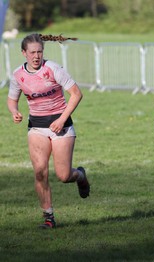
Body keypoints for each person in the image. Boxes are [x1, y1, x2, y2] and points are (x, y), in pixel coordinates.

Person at [7, 33, 90, 229]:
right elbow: (12, 100)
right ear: (24, 53)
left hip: (61, 125)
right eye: (32, 52)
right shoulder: (18, 74)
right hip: (36, 127)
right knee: (39, 173)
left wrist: (61, 119)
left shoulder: (53, 69)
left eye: (39, 52)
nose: (36, 56)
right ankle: (48, 217)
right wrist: (14, 111)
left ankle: (80, 176)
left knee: (63, 176)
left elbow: (76, 94)